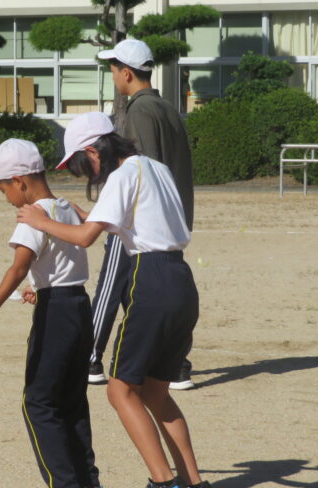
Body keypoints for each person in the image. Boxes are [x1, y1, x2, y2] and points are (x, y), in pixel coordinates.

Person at [17, 113, 218, 488]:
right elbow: (131, 218)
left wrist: (41, 221)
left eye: (80, 163)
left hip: (151, 278)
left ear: (94, 151)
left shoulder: (122, 175)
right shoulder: (153, 167)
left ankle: (165, 487)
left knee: (119, 389)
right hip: (181, 278)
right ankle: (196, 487)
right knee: (156, 394)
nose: (81, 171)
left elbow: (87, 238)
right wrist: (82, 211)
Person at [0, 138, 107, 488]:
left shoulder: (33, 213)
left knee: (38, 401)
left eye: (4, 187)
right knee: (71, 401)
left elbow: (19, 266)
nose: (5, 196)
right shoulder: (66, 209)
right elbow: (59, 262)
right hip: (76, 303)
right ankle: (89, 485)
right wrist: (41, 288)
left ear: (21, 181)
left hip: (56, 313)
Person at [88, 38, 196, 390]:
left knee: (111, 282)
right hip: (170, 217)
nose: (112, 75)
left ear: (128, 73)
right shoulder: (167, 107)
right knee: (147, 290)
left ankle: (89, 357)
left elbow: (141, 167)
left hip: (142, 217)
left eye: (114, 69)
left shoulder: (139, 110)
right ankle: (175, 363)